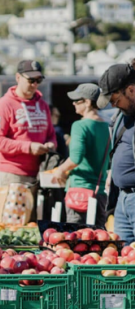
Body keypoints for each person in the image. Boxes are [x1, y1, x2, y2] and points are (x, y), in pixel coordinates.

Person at [0, 60, 57, 222]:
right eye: (31, 80)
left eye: (38, 81)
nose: (34, 85)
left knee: (32, 229)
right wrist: (28, 147)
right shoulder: (4, 105)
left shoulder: (43, 105)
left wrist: (50, 144)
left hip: (38, 175)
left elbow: (51, 134)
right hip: (12, 176)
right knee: (12, 228)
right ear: (18, 77)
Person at [53, 84, 110, 226]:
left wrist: (60, 170)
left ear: (88, 102)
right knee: (98, 239)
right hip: (100, 191)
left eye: (77, 100)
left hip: (79, 191)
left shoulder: (80, 125)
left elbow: (76, 158)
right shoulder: (107, 127)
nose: (73, 103)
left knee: (76, 237)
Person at [96, 61, 135, 243]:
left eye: (115, 100)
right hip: (122, 199)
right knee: (124, 260)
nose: (114, 105)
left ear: (131, 90)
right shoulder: (120, 117)